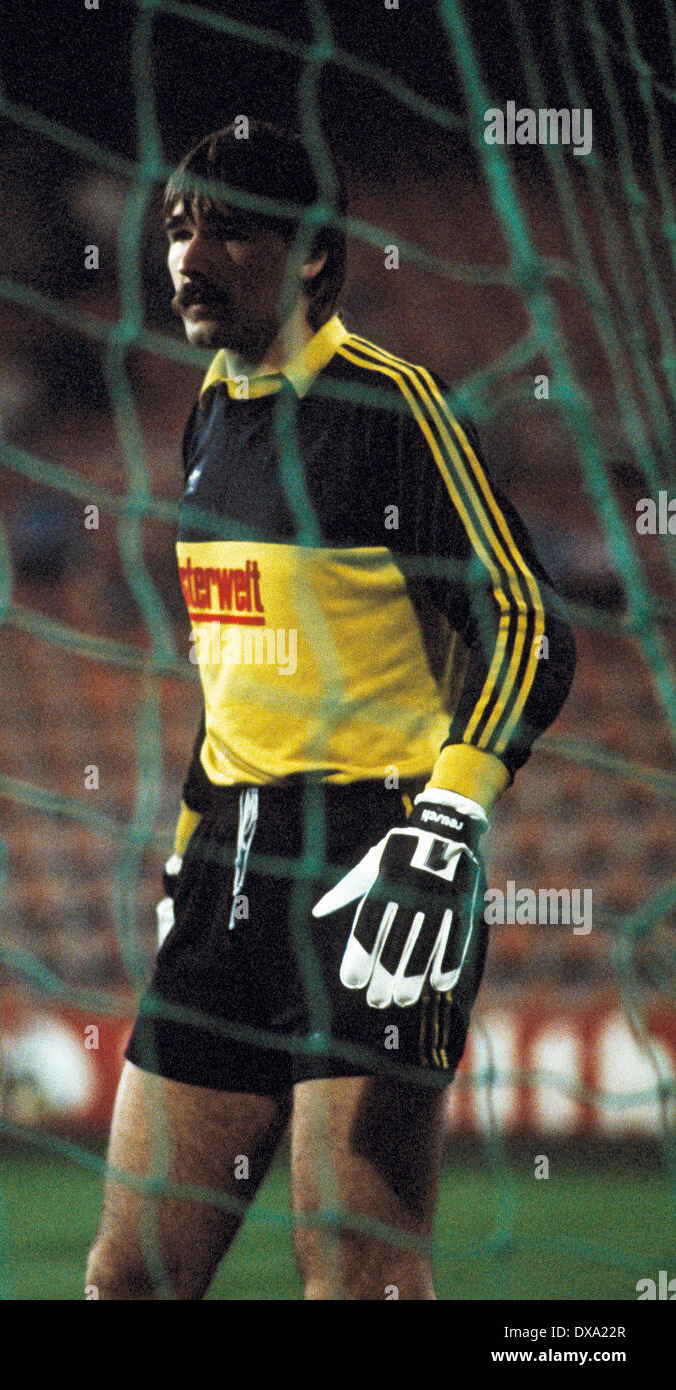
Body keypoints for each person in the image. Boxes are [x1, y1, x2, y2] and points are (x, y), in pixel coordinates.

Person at [86, 121, 576, 1300]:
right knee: (129, 1279)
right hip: (224, 881)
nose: (188, 258)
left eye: (228, 230)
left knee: (360, 1283)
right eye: (176, 230)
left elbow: (531, 622)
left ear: (310, 255)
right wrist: (186, 847)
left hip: (373, 877)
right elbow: (236, 672)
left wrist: (450, 822)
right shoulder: (211, 408)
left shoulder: (390, 408)